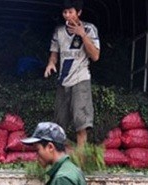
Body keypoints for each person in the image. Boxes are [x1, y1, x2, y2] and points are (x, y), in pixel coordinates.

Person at [44, 0, 100, 148]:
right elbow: (54, 53)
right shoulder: (59, 31)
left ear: (79, 12)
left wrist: (83, 35)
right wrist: (51, 63)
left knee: (81, 124)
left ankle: (81, 163)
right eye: (65, 12)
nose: (67, 15)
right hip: (63, 81)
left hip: (81, 80)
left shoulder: (89, 29)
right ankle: (60, 158)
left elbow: (95, 56)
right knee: (59, 124)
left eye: (71, 12)